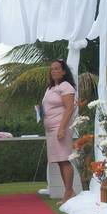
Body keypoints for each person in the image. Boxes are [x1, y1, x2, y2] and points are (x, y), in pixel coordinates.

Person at [42, 59, 77, 204]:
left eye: (57, 69)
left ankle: (68, 192)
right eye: (52, 69)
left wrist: (62, 128)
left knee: (64, 160)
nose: (54, 71)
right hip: (51, 129)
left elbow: (69, 108)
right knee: (59, 161)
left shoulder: (65, 86)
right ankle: (70, 192)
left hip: (60, 128)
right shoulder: (51, 88)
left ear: (63, 71)